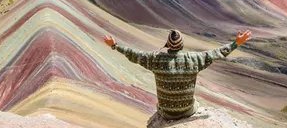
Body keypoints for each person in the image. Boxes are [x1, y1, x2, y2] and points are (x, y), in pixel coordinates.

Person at [103, 29, 252, 121]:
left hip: (166, 113)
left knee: (158, 105)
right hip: (188, 110)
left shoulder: (156, 59)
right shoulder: (194, 59)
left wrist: (114, 46)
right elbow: (216, 53)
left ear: (167, 45)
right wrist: (236, 43)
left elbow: (134, 54)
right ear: (182, 45)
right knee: (196, 102)